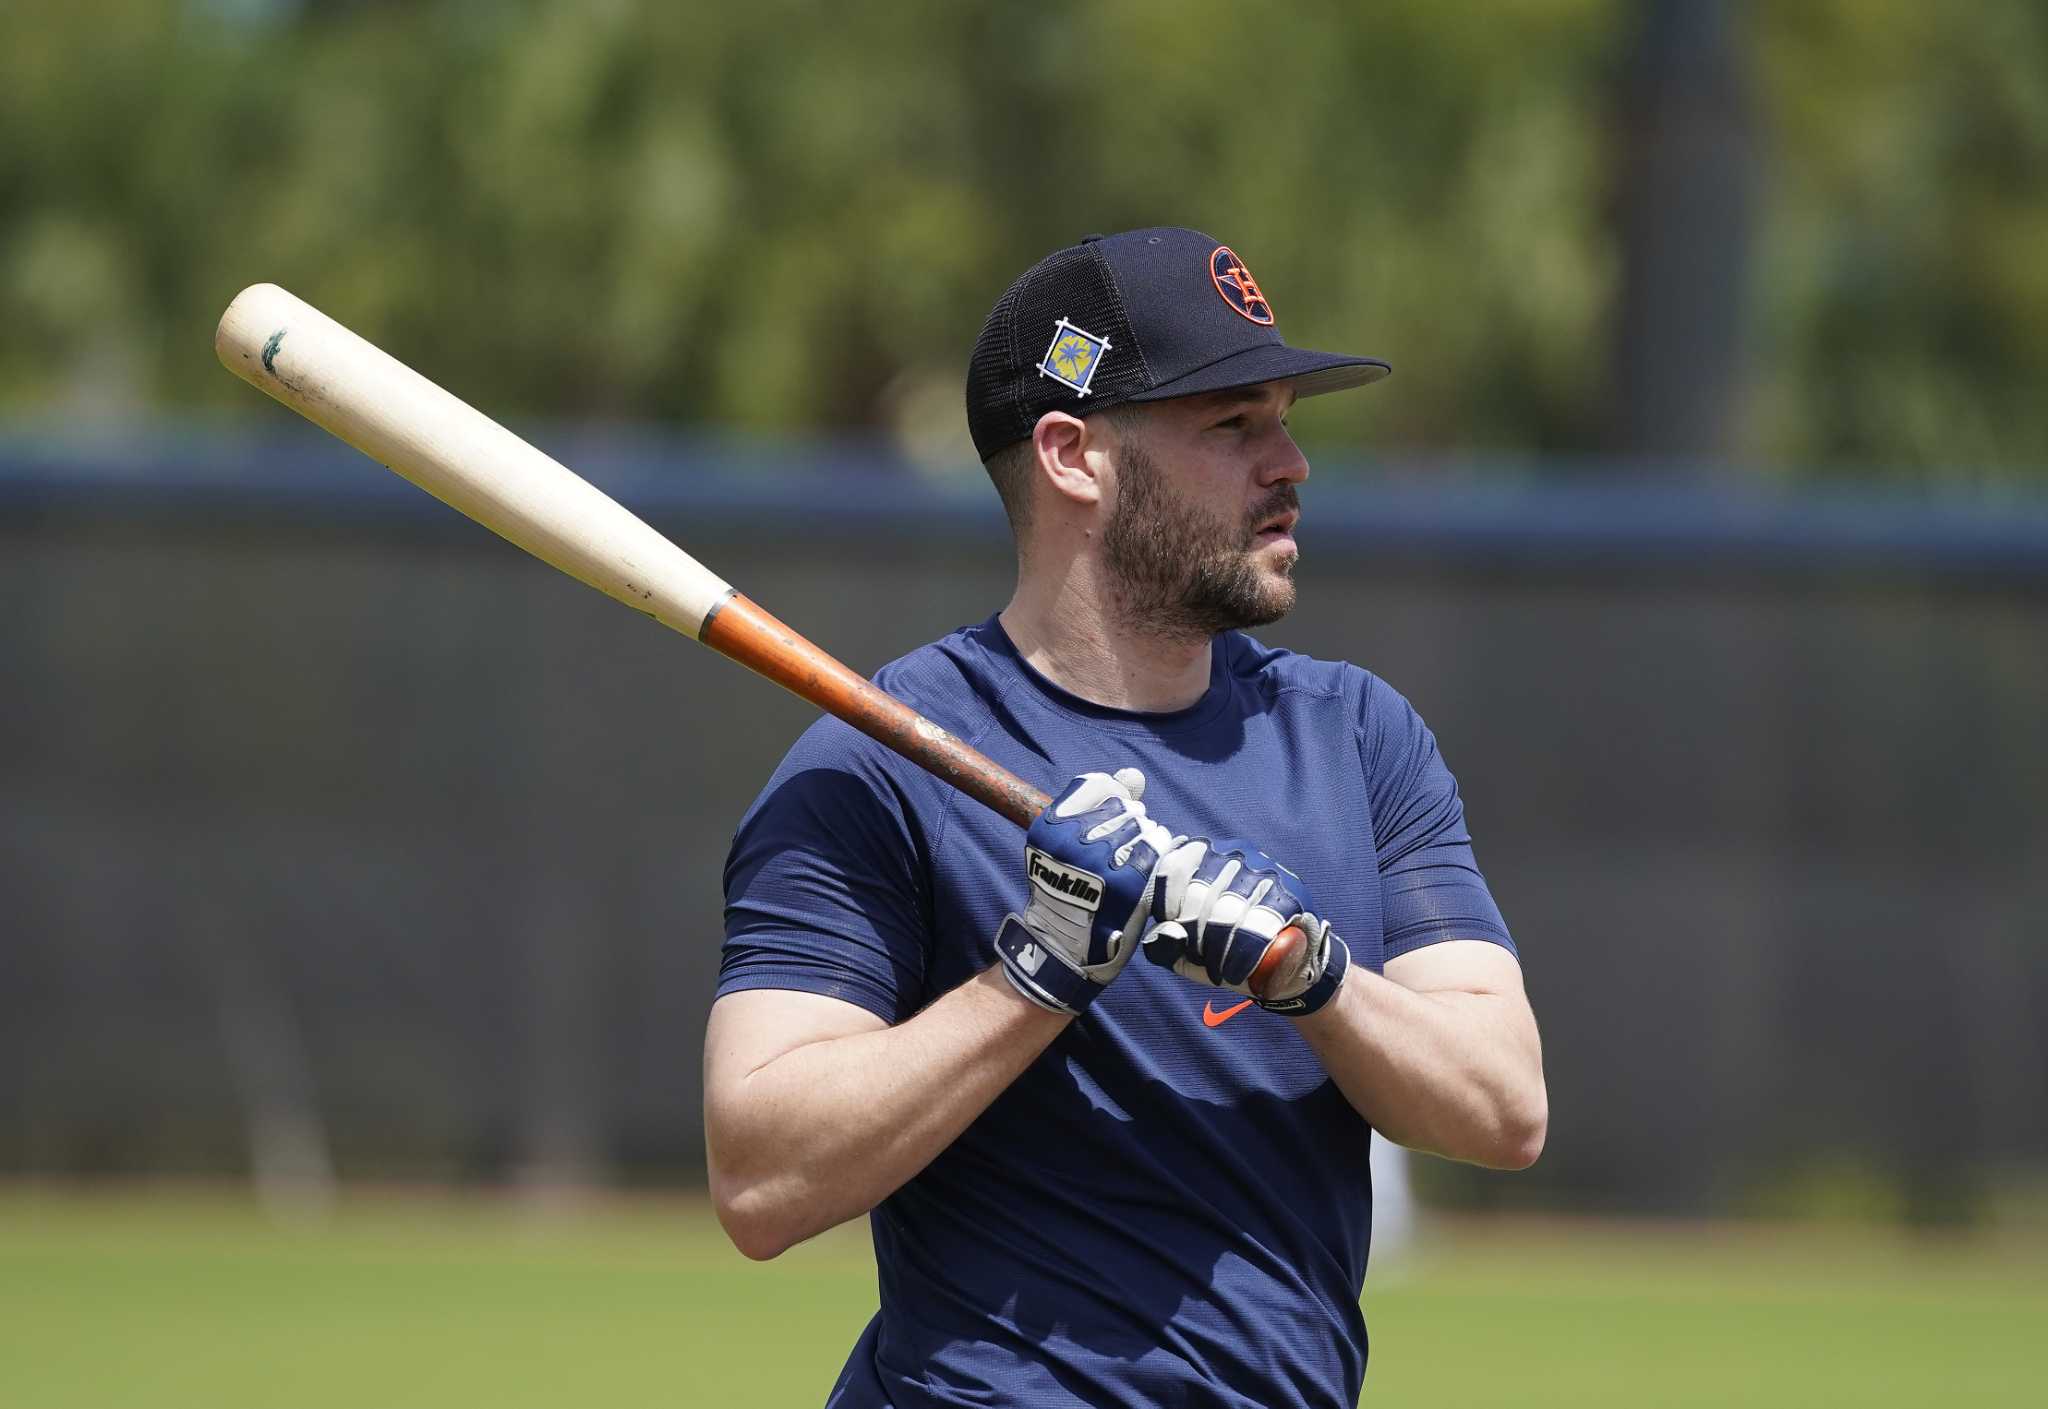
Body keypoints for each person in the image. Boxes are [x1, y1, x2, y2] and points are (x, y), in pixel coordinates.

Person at [705, 227, 1546, 1409]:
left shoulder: (1354, 736)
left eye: (1286, 417)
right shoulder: (879, 759)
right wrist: (1038, 972)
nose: (1292, 461)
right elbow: (759, 1175)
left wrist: (1304, 973)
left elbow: (1501, 1106)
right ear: (1071, 455)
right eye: (1231, 424)